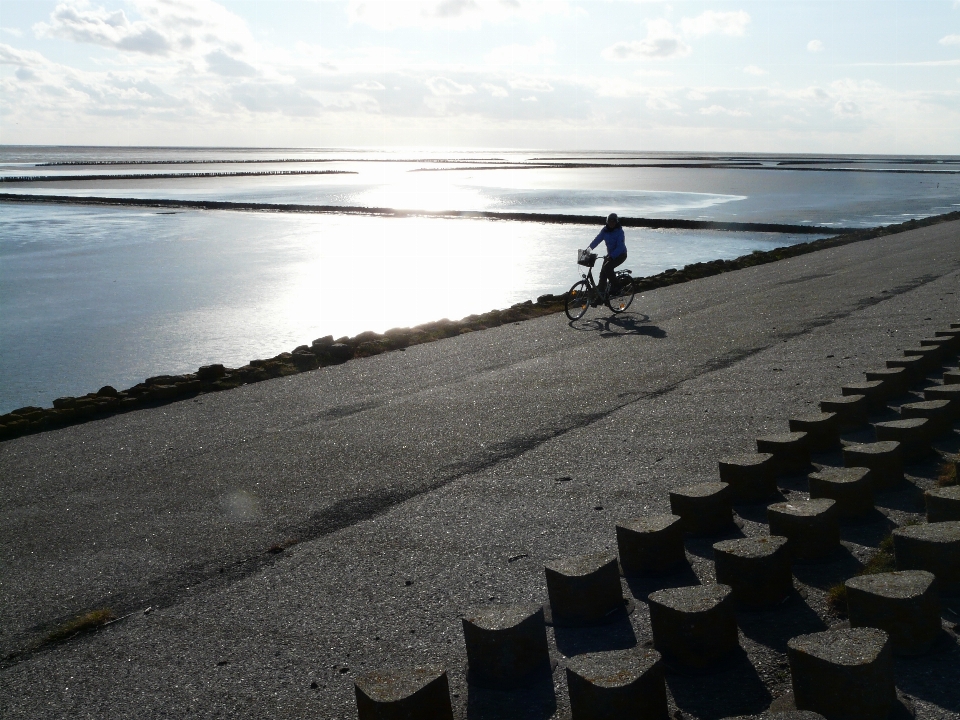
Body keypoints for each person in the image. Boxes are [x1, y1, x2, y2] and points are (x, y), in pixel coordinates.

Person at [588, 212, 627, 298]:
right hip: (610, 255)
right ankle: (601, 296)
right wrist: (588, 249)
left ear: (616, 222)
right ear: (607, 222)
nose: (611, 223)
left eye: (613, 222)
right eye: (610, 221)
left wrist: (612, 256)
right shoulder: (605, 230)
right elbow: (597, 240)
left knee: (608, 268)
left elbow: (620, 247)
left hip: (621, 255)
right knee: (602, 274)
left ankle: (617, 286)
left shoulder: (620, 232)